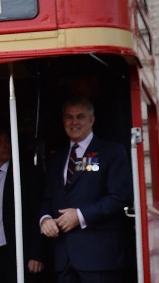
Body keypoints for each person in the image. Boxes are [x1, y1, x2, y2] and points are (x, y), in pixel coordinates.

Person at [39, 97, 132, 283]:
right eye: (69, 117)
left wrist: (80, 216)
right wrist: (45, 219)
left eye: (80, 116)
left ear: (92, 120)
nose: (74, 122)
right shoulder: (57, 159)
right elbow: (47, 198)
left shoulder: (112, 152)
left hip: (100, 257)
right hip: (64, 258)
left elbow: (120, 197)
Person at [0, 129, 45, 283]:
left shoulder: (25, 174)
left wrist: (36, 254)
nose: (6, 146)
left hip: (21, 255)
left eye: (7, 141)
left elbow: (37, 213)